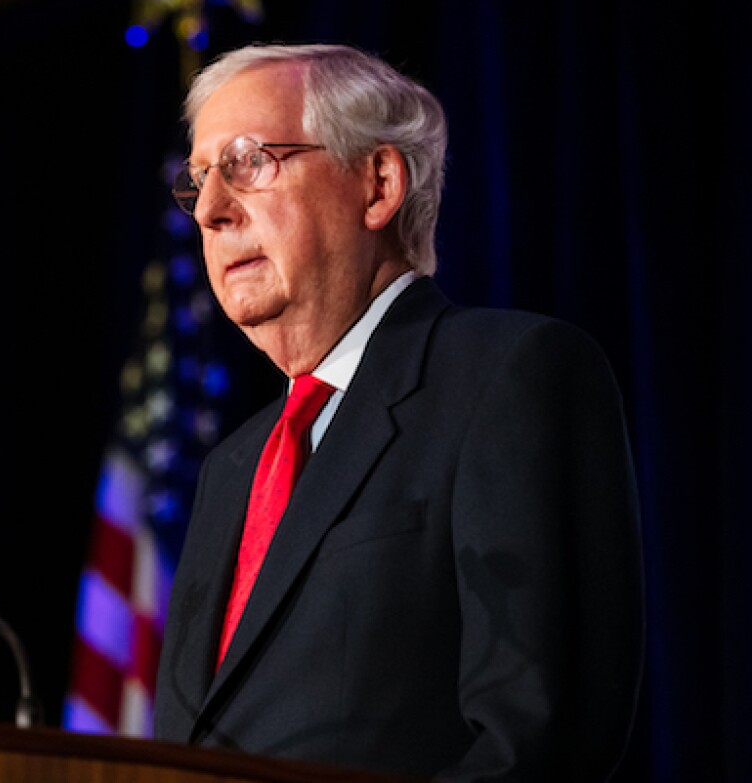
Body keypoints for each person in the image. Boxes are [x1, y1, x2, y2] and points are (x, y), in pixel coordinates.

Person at [152, 43, 643, 782]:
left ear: (378, 184)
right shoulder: (233, 466)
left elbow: (538, 737)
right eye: (197, 181)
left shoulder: (506, 377)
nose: (212, 211)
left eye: (248, 161)